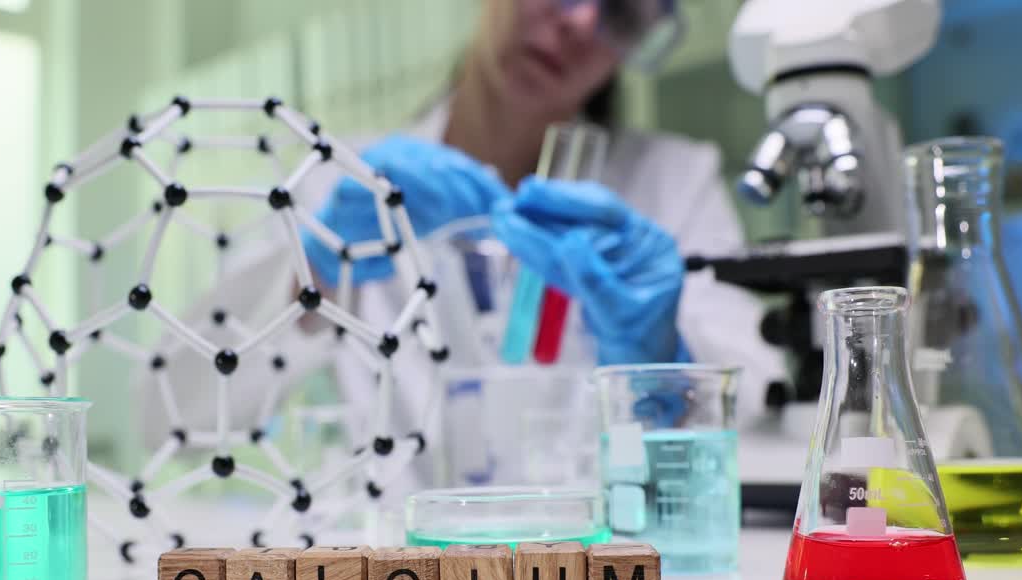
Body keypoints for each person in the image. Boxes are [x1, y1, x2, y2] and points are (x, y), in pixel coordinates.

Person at [143, 0, 786, 471]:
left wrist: (662, 359)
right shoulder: (341, 182)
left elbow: (763, 404)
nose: (580, 23)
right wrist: (313, 277)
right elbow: (178, 416)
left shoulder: (672, 183)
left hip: (596, 576)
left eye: (620, 15)